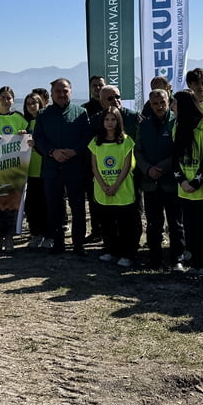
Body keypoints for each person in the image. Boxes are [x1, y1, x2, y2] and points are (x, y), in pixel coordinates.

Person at [32, 78, 93, 255]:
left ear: (71, 92)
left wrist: (75, 151)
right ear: (51, 94)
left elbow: (87, 137)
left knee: (78, 208)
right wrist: (52, 152)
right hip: (52, 168)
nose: (61, 94)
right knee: (54, 208)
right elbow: (38, 139)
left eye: (65, 91)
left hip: (75, 168)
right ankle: (58, 243)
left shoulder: (81, 112)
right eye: (58, 91)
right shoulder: (43, 114)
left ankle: (78, 244)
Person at [134, 87, 183, 270]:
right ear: (150, 104)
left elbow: (179, 151)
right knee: (154, 224)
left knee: (175, 223)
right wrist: (147, 169)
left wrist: (162, 167)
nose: (159, 106)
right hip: (150, 182)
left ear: (169, 101)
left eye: (162, 102)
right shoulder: (144, 124)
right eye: (155, 103)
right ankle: (154, 259)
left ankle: (177, 258)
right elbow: (138, 150)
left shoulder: (176, 122)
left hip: (171, 181)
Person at [172, 91, 203, 276]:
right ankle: (196, 263)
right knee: (191, 229)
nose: (171, 108)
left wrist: (196, 182)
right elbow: (174, 158)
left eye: (174, 104)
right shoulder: (176, 127)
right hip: (185, 191)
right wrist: (182, 181)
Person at [89, 106, 139, 267]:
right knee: (107, 224)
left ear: (119, 122)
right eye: (107, 119)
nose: (110, 123)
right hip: (103, 191)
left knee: (125, 225)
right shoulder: (96, 141)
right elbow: (94, 167)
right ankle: (110, 250)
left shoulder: (126, 140)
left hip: (122, 190)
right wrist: (104, 185)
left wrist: (116, 185)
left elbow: (127, 166)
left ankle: (127, 254)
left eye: (113, 120)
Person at [0, 86, 28, 251]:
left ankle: (9, 237)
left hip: (14, 170)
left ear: (13, 100)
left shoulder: (20, 119)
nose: (5, 101)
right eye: (2, 98)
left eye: (8, 98)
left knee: (11, 204)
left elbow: (28, 142)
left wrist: (24, 135)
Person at [21, 91, 48, 248]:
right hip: (28, 171)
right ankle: (35, 234)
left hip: (44, 170)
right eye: (28, 104)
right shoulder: (24, 123)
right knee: (32, 206)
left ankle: (48, 235)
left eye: (34, 103)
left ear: (40, 104)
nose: (31, 106)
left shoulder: (46, 121)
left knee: (47, 205)